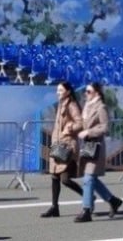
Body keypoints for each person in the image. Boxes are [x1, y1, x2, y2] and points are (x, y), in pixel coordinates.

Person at [74, 82, 123, 222]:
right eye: (85, 91)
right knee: (92, 179)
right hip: (87, 145)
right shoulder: (87, 106)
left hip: (96, 146)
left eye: (89, 91)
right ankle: (113, 200)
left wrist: (88, 132)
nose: (86, 94)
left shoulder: (101, 107)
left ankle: (87, 210)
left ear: (97, 93)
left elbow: (105, 127)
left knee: (88, 178)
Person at [40, 81, 84, 218]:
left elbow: (80, 123)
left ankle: (87, 197)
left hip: (67, 145)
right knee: (54, 177)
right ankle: (54, 207)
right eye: (57, 90)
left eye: (60, 90)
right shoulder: (61, 104)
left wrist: (69, 128)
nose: (58, 93)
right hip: (58, 145)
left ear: (68, 92)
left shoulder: (72, 105)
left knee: (65, 179)